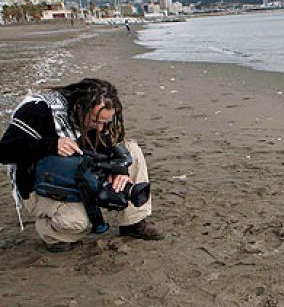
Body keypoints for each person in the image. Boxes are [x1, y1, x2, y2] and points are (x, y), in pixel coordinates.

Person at [0, 78, 163, 251]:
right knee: (77, 223)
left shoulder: (98, 119)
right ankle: (51, 233)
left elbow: (111, 144)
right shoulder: (39, 110)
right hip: (40, 184)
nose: (100, 128)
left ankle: (133, 222)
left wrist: (119, 169)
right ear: (79, 108)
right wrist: (50, 145)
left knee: (132, 150)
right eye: (95, 122)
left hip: (79, 173)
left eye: (104, 123)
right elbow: (4, 151)